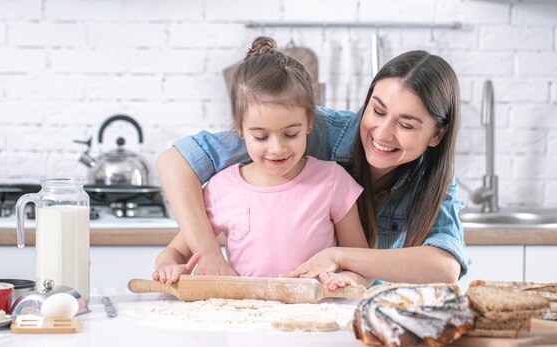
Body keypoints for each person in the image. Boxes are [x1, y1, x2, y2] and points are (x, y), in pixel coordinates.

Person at [155, 47, 467, 286]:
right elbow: (174, 160)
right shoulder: (300, 129)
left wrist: (340, 258)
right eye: (377, 110)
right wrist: (208, 254)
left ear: (437, 134)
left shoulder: (432, 178)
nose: (382, 134)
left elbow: (446, 267)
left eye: (406, 125)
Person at [153, 37, 370, 288]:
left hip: (313, 318)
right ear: (241, 129)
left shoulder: (333, 181)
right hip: (245, 318)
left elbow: (361, 263)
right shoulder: (222, 188)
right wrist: (167, 267)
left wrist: (348, 279)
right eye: (261, 136)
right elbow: (173, 254)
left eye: (290, 134)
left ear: (310, 121)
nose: (276, 148)